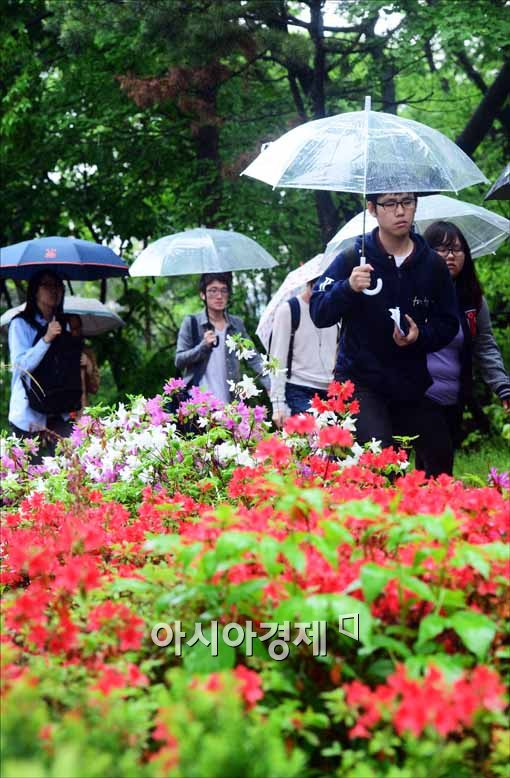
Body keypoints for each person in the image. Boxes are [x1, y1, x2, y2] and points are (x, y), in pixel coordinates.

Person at [310, 192, 459, 477]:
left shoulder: (432, 265)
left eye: (407, 202)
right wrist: (348, 287)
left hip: (410, 384)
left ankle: (429, 516)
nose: (400, 211)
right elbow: (319, 311)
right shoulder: (352, 258)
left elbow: (449, 323)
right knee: (384, 464)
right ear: (372, 209)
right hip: (362, 383)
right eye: (390, 203)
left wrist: (420, 336)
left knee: (440, 455)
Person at [415, 220, 510, 473]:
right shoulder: (415, 293)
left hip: (454, 398)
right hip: (419, 395)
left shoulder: (473, 299)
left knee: (428, 471)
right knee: (439, 465)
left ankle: (416, 509)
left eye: (457, 249)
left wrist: (503, 387)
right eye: (442, 249)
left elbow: (485, 345)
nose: (450, 256)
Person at [7, 270, 82, 457]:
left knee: (68, 472)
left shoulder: (64, 324)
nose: (53, 290)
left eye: (57, 285)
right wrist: (46, 339)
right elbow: (20, 366)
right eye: (47, 285)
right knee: (30, 478)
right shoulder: (20, 324)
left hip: (60, 411)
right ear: (35, 291)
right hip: (28, 417)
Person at [175, 272, 270, 403]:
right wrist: (202, 347)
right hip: (199, 404)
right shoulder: (192, 323)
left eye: (223, 290)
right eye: (212, 291)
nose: (219, 296)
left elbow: (253, 358)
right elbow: (179, 360)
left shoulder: (236, 324)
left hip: (230, 402)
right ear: (202, 294)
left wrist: (270, 385)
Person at [269, 278, 339, 427]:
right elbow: (277, 359)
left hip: (331, 390)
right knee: (313, 438)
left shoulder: (335, 310)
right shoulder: (289, 310)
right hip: (299, 388)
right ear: (310, 282)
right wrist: (278, 404)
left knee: (334, 446)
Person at [67, 314, 101, 413]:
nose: (76, 332)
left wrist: (89, 366)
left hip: (82, 411)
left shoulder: (87, 353)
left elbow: (95, 388)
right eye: (72, 329)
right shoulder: (54, 353)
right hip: (60, 413)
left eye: (78, 328)